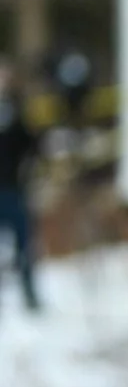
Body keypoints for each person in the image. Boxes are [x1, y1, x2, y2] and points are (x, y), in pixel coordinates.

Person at [0, 64, 42, 315]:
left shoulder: (16, 110)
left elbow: (31, 143)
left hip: (13, 188)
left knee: (24, 243)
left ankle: (29, 292)